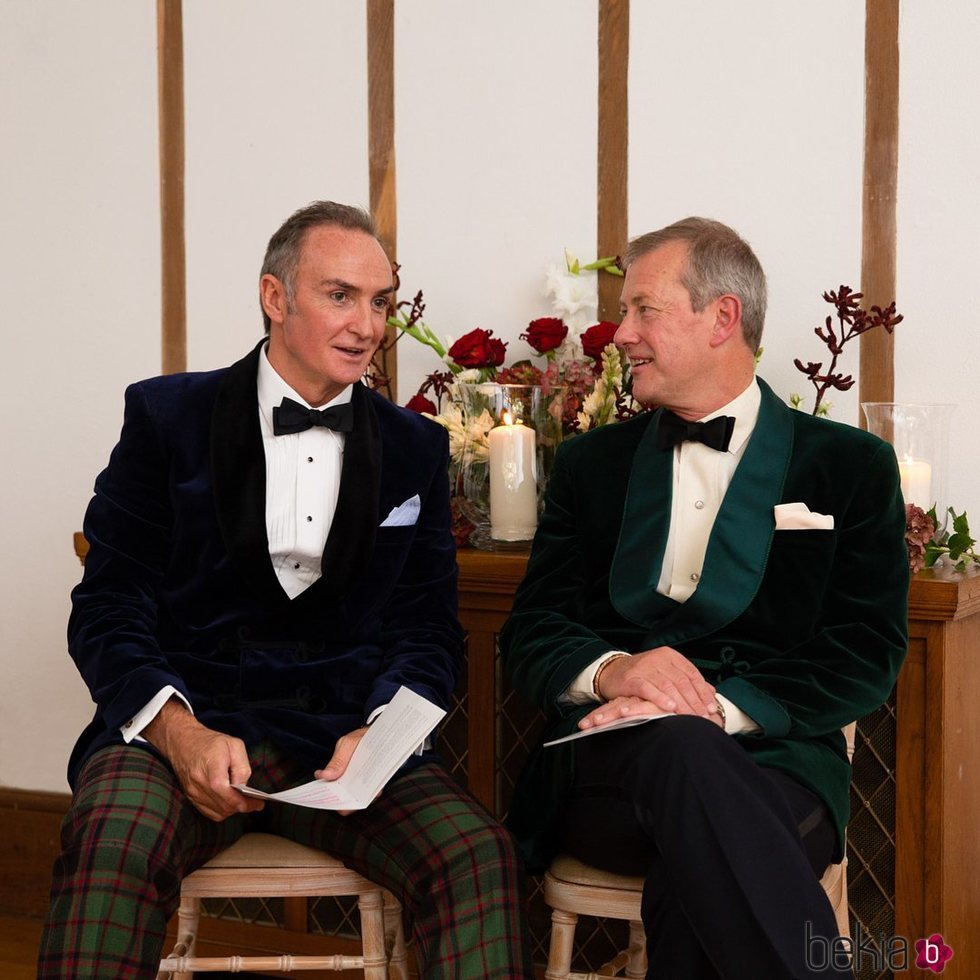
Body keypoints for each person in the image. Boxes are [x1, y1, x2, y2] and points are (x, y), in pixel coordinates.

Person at [38, 201, 533, 979]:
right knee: (112, 838)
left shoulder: (415, 447)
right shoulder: (166, 416)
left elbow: (428, 628)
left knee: (477, 857)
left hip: (342, 737)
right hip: (187, 722)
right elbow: (108, 605)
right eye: (341, 295)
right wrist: (176, 730)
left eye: (380, 302)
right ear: (276, 297)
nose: (367, 326)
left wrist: (382, 730)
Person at [500, 217, 909, 979]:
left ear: (722, 318)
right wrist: (616, 671)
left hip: (778, 761)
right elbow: (531, 631)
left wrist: (718, 709)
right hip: (609, 771)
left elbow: (864, 650)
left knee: (700, 872)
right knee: (697, 780)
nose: (619, 333)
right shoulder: (593, 468)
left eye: (642, 310)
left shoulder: (850, 467)